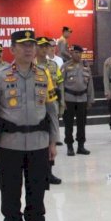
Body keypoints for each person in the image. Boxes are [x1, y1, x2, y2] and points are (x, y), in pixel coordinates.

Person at [0, 30, 59, 221]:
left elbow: (52, 111)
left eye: (31, 45)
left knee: (37, 195)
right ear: (12, 48)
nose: (29, 49)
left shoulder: (44, 75)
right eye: (23, 45)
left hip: (38, 145)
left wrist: (53, 141)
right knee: (11, 196)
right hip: (9, 146)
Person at [35, 37, 64, 185]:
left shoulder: (53, 65)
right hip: (36, 109)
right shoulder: (31, 65)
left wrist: (62, 103)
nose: (44, 49)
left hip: (51, 105)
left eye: (46, 47)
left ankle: (49, 172)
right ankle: (38, 172)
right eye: (41, 47)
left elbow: (60, 84)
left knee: (51, 138)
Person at [61, 45, 94, 156]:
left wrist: (90, 99)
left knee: (82, 124)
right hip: (69, 98)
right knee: (68, 124)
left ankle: (81, 146)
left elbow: (90, 84)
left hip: (82, 99)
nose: (78, 55)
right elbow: (60, 84)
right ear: (71, 53)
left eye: (79, 53)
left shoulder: (85, 66)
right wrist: (62, 100)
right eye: (75, 52)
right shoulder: (65, 66)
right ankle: (69, 147)